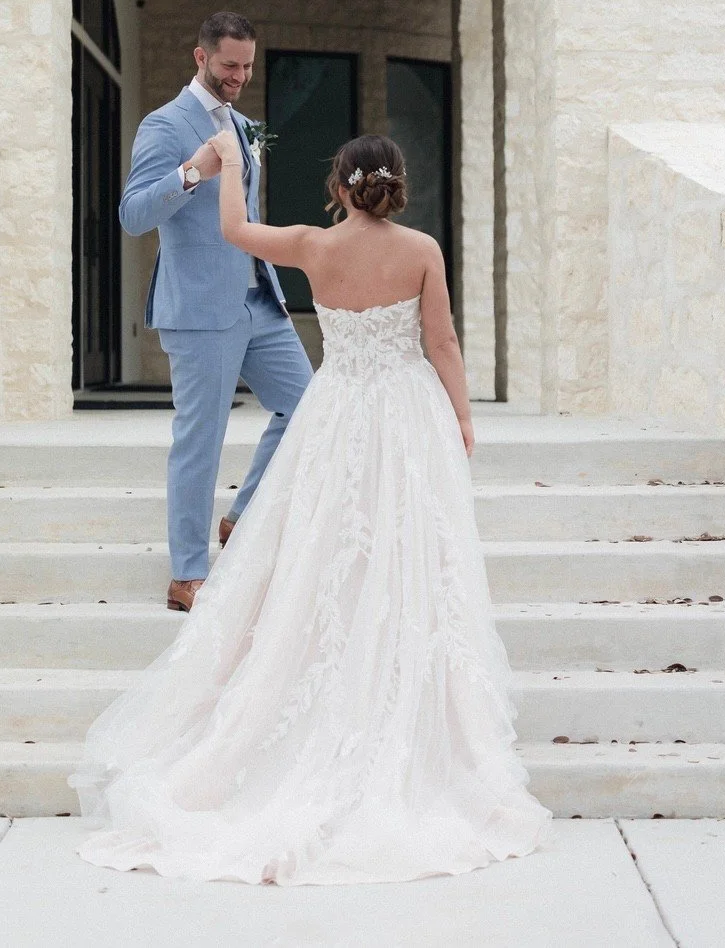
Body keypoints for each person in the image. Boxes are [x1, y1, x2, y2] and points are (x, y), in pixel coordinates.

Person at [68, 131, 554, 884]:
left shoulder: (311, 245)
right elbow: (444, 344)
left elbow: (234, 230)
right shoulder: (422, 250)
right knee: (406, 553)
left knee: (325, 551)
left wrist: (230, 165)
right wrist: (461, 416)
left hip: (337, 417)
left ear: (339, 186)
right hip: (406, 419)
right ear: (396, 186)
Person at [116, 11, 313, 612]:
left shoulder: (247, 127)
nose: (240, 76)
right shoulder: (163, 124)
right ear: (200, 57)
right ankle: (186, 575)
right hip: (200, 307)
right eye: (230, 65)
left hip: (259, 298)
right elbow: (133, 215)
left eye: (248, 66)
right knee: (200, 440)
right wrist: (191, 172)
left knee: (309, 407)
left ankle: (242, 515)